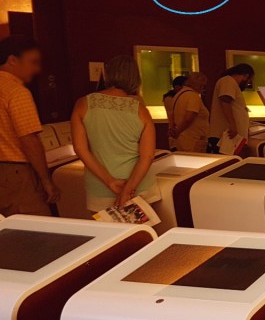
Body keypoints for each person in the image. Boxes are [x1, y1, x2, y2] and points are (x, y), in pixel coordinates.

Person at [71, 55, 158, 212]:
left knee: (106, 236)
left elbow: (80, 149)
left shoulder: (83, 103)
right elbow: (147, 156)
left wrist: (109, 181)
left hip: (99, 187)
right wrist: (127, 190)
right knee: (141, 235)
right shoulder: (140, 109)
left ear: (108, 74)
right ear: (136, 78)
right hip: (138, 186)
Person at [0, 35, 58, 215]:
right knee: (36, 231)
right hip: (16, 173)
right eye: (33, 62)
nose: (37, 69)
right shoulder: (17, 92)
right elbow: (29, 139)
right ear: (12, 60)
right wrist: (46, 181)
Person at [208, 63, 253, 153]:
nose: (248, 83)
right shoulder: (228, 81)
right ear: (246, 76)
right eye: (249, 80)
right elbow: (225, 101)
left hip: (231, 135)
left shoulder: (230, 82)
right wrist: (232, 125)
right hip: (226, 135)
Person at [168, 72, 210, 153]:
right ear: (200, 84)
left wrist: (173, 130)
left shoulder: (178, 95)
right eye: (203, 85)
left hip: (181, 139)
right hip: (194, 140)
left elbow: (171, 115)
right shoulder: (193, 97)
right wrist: (177, 131)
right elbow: (189, 118)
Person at [162, 74, 187, 140]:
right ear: (177, 87)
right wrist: (173, 129)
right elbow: (171, 115)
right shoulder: (170, 98)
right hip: (176, 131)